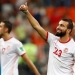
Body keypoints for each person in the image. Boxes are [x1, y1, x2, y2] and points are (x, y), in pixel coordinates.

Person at [19, 2, 75, 75]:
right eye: (58, 25)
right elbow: (37, 27)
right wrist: (26, 12)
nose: (58, 27)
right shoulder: (53, 39)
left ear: (68, 30)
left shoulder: (73, 46)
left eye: (62, 26)